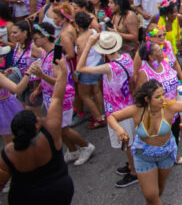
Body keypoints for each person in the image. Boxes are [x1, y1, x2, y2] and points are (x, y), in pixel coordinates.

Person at [107, 79, 182, 205]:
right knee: (151, 194)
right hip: (143, 155)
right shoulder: (136, 110)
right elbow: (112, 117)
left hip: (166, 153)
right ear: (147, 99)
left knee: (158, 190)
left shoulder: (169, 106)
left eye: (163, 94)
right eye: (158, 96)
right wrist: (119, 129)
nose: (163, 98)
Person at [0, 57, 74, 204]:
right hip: (60, 192)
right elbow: (57, 99)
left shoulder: (9, 152)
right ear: (36, 126)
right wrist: (62, 74)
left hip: (26, 198)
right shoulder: (51, 134)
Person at [75, 30, 139, 188]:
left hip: (119, 111)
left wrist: (89, 44)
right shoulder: (126, 57)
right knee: (129, 141)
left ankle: (134, 172)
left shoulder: (108, 67)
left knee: (128, 142)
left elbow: (80, 68)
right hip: (128, 105)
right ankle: (132, 165)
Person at [28, 23, 94, 165]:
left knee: (62, 128)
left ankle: (86, 146)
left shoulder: (56, 54)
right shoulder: (46, 52)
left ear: (45, 38)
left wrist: (40, 75)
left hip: (62, 95)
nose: (34, 42)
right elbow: (47, 74)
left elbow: (59, 81)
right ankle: (72, 150)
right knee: (58, 128)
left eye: (36, 38)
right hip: (49, 95)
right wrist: (38, 89)